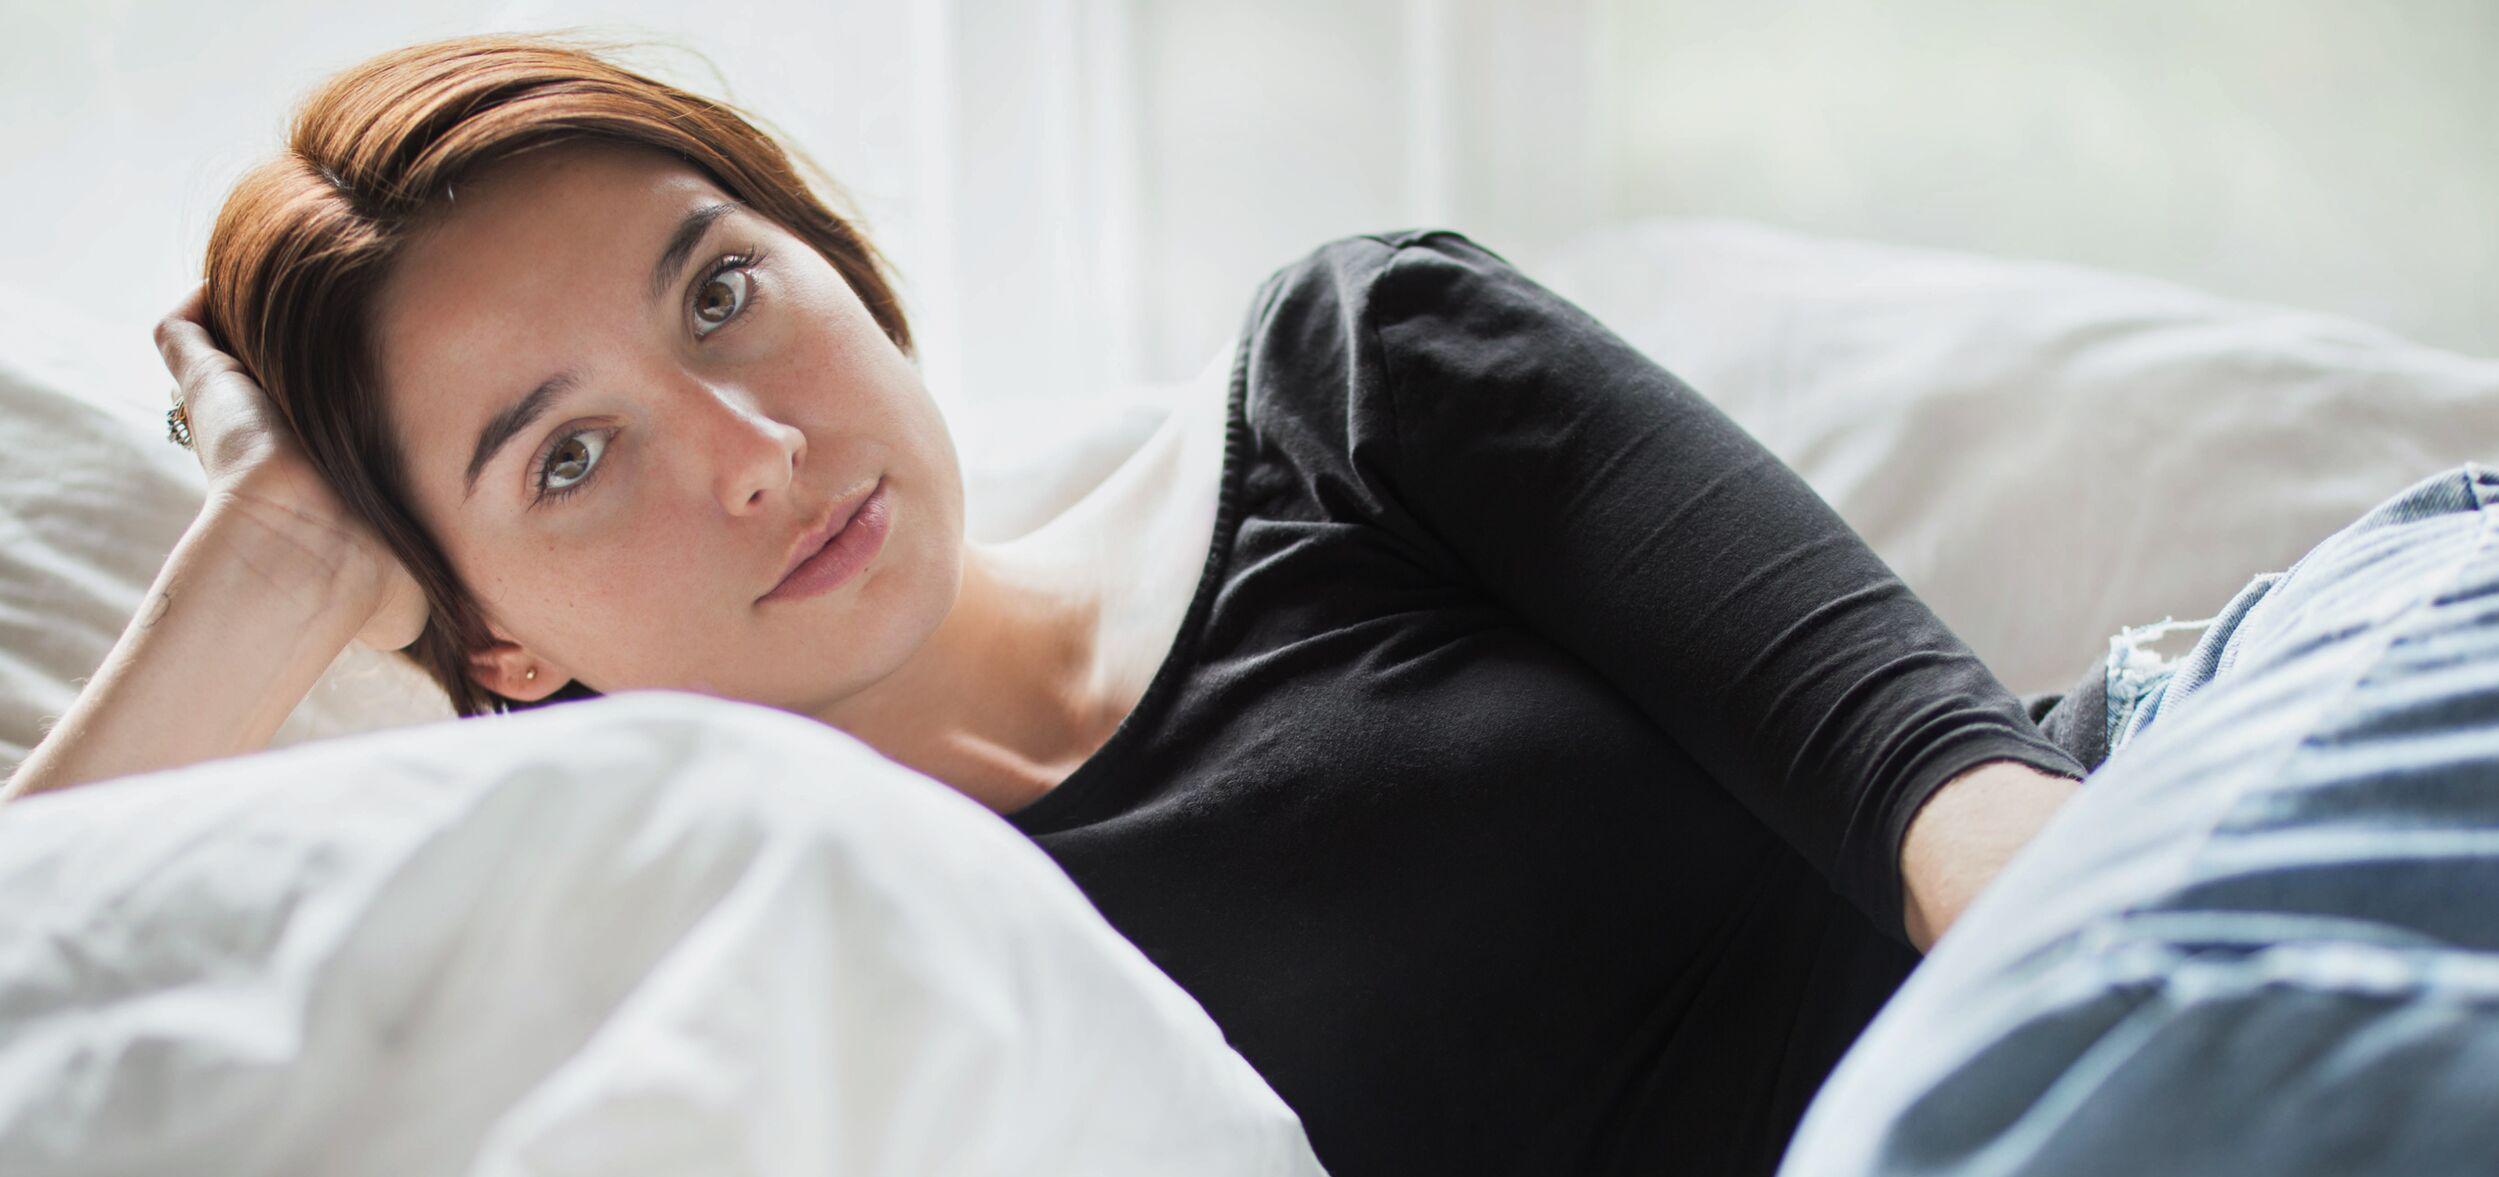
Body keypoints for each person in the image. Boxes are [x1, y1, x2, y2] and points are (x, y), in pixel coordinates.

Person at [0, 34, 2084, 1177]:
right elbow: (48, 1006)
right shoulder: (783, 978)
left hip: (2132, 911)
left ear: (831, 253)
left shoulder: (1354, 375)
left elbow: (1956, 799)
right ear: (496, 646)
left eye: (721, 285)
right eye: (566, 454)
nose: (745, 440)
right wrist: (272, 558)